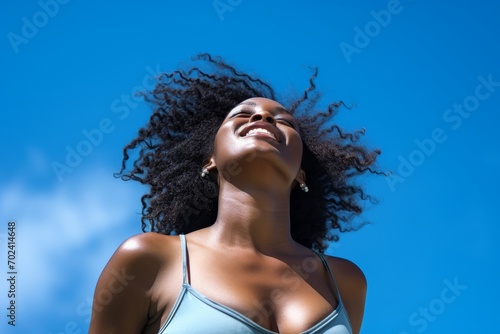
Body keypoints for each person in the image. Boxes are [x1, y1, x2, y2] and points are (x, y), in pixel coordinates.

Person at [88, 54, 380, 334]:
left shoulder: (344, 282)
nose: (264, 116)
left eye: (285, 122)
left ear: (301, 174)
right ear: (210, 161)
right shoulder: (149, 260)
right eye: (243, 114)